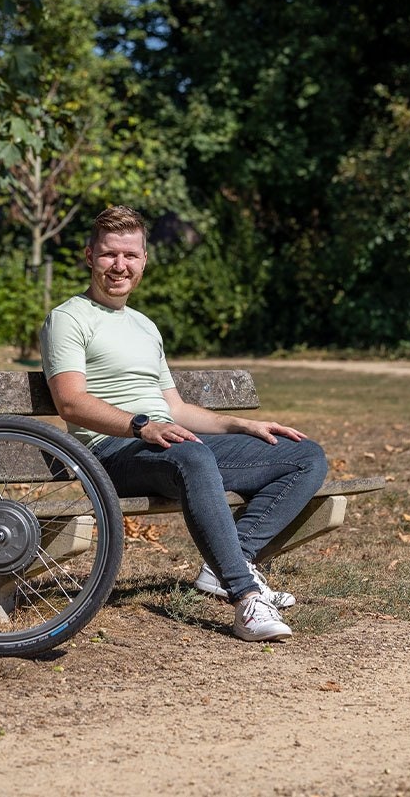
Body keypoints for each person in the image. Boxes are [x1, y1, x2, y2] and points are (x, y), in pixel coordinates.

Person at [38, 205, 328, 642]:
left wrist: (241, 426)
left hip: (168, 445)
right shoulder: (68, 318)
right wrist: (140, 426)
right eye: (109, 255)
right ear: (89, 257)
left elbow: (172, 407)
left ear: (144, 261)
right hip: (111, 453)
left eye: (130, 256)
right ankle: (245, 596)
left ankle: (227, 562)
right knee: (191, 456)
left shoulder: (144, 326)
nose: (120, 266)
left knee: (304, 455)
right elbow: (71, 403)